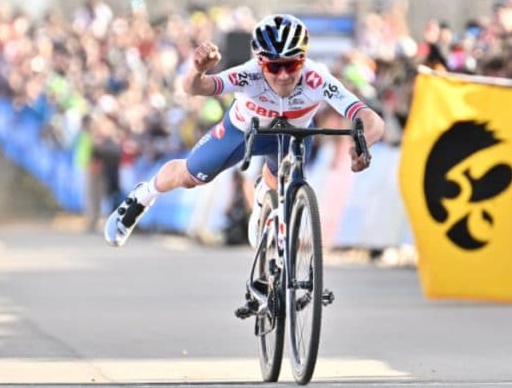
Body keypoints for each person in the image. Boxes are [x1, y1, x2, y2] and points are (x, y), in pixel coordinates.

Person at [104, 14, 385, 247]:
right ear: (261, 62)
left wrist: (364, 143)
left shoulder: (317, 77)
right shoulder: (249, 73)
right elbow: (194, 89)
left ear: (304, 59)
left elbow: (370, 119)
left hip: (291, 137)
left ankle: (276, 257)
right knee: (191, 176)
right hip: (241, 132)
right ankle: (143, 196)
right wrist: (198, 71)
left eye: (292, 64)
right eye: (275, 67)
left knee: (288, 189)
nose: (284, 75)